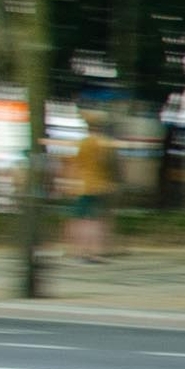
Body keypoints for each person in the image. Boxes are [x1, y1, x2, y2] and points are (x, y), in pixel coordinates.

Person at [63, 111, 117, 262]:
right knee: (97, 220)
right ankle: (96, 252)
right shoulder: (105, 144)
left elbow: (76, 165)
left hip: (84, 186)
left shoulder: (84, 143)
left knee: (79, 219)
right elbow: (110, 166)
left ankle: (79, 251)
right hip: (101, 187)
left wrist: (69, 182)